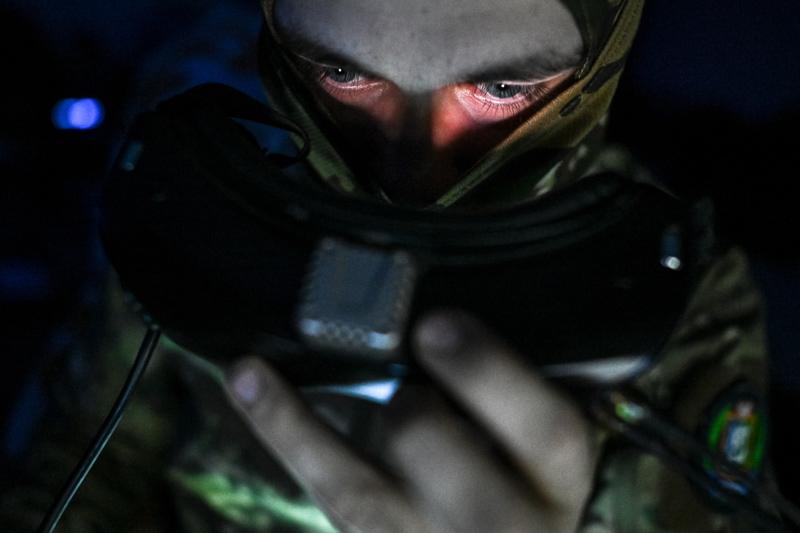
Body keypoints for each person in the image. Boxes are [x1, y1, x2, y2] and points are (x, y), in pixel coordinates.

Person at [0, 0, 781, 531]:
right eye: (344, 75)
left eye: (501, 87)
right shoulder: (206, 192)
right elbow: (88, 447)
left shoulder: (666, 294)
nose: (410, 177)